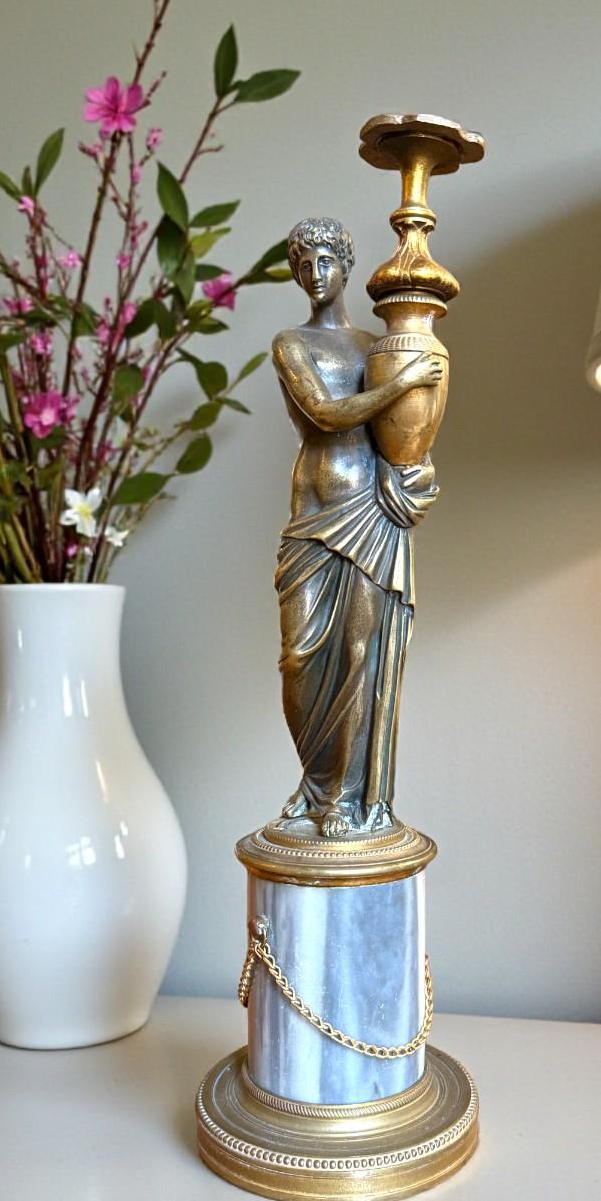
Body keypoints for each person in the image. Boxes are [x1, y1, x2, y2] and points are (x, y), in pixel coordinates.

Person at [268, 217, 442, 838]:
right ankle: (315, 780)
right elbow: (325, 414)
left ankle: (343, 796)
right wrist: (403, 382)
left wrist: (412, 471)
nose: (314, 274)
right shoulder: (291, 343)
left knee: (359, 657)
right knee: (300, 658)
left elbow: (404, 432)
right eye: (303, 265)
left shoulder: (377, 345)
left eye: (324, 262)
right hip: (315, 514)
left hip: (370, 508)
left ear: (345, 266)